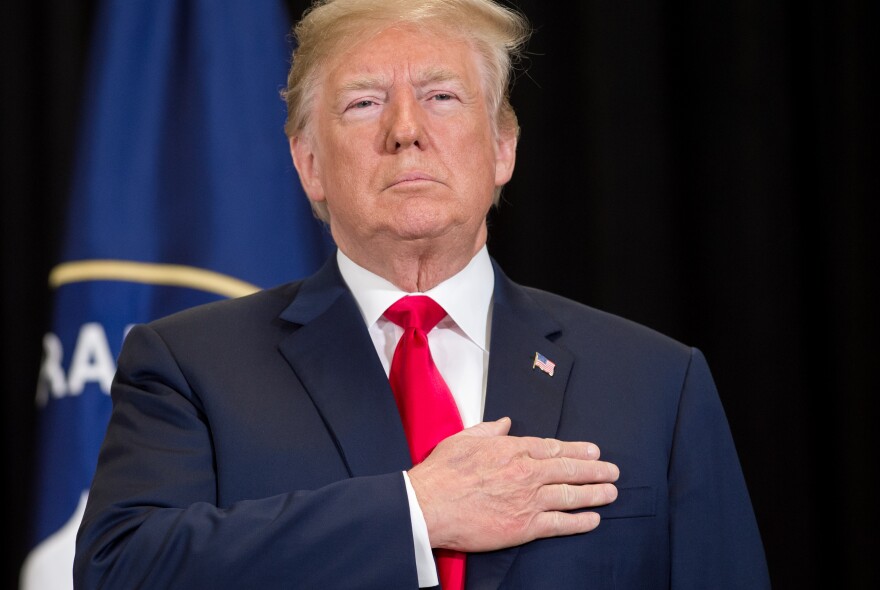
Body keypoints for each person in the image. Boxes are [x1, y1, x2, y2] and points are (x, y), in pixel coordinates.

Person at [74, 0, 770, 588]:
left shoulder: (657, 383)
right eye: (364, 102)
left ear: (502, 148)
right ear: (309, 164)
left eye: (441, 97)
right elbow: (120, 567)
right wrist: (414, 511)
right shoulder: (188, 364)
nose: (405, 131)